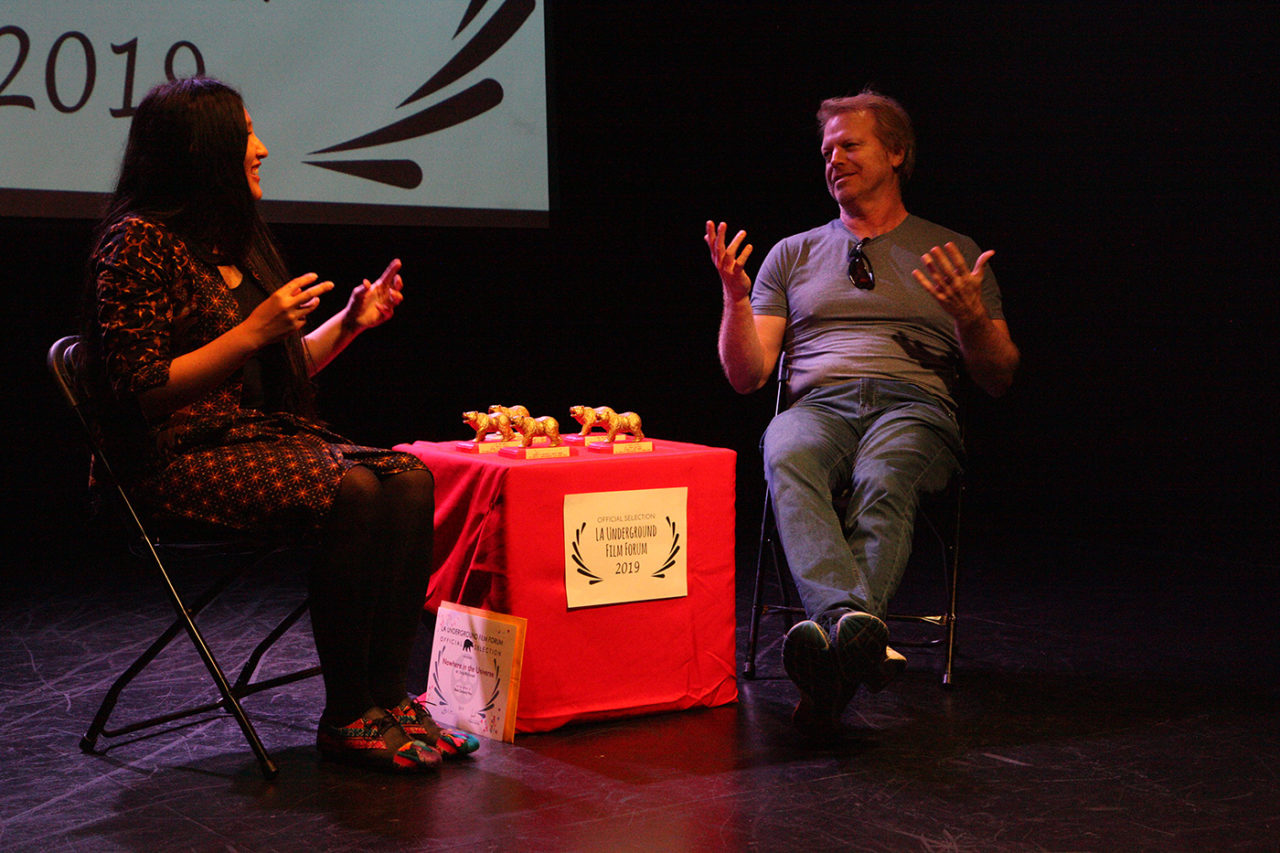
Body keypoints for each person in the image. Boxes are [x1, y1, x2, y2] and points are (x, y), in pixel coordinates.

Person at [83, 76, 478, 773]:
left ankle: (390, 696)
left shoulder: (229, 244)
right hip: (165, 460)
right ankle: (347, 713)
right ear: (205, 153)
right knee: (352, 489)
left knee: (411, 477)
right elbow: (140, 391)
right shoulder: (136, 244)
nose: (261, 150)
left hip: (244, 442)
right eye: (246, 138)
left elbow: (275, 374)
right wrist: (253, 331)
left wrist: (348, 325)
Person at [705, 90, 1019, 734]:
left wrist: (968, 319)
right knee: (784, 449)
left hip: (915, 408)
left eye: (851, 145)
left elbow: (999, 376)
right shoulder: (791, 254)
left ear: (896, 153)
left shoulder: (951, 250)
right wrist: (736, 300)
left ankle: (833, 654)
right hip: (819, 405)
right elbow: (747, 375)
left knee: (885, 474)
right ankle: (851, 638)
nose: (834, 159)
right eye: (827, 151)